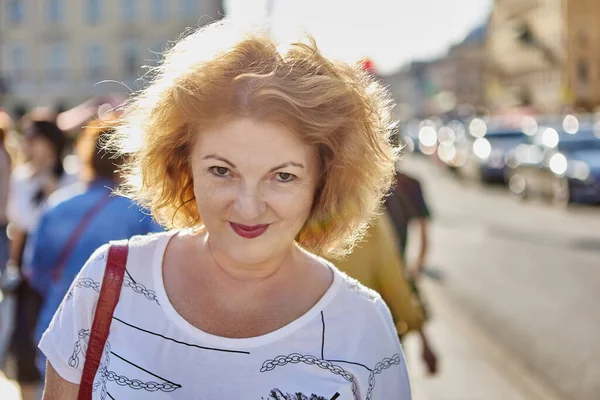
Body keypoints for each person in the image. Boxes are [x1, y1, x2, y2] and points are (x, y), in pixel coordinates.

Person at [38, 21, 411, 399]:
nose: (248, 206)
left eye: (282, 176)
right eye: (221, 170)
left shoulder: (363, 323)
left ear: (324, 180)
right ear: (183, 166)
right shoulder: (107, 283)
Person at [23, 119, 163, 376]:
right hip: (121, 332)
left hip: (60, 325)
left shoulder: (57, 207)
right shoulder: (141, 213)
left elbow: (34, 270)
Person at [5, 116, 76, 400]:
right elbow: (18, 226)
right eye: (27, 139)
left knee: (64, 334)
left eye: (35, 138)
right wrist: (13, 267)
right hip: (29, 266)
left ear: (51, 142)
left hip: (65, 263)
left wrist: (53, 190)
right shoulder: (21, 178)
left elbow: (72, 218)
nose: (28, 145)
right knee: (25, 338)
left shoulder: (71, 174)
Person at [333, 211, 424, 336]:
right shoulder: (366, 212)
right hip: (361, 325)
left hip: (309, 329)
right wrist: (411, 320)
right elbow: (391, 274)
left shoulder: (301, 209)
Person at [385, 169, 438, 375]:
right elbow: (424, 234)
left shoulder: (364, 183)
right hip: (395, 277)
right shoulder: (408, 183)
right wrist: (416, 268)